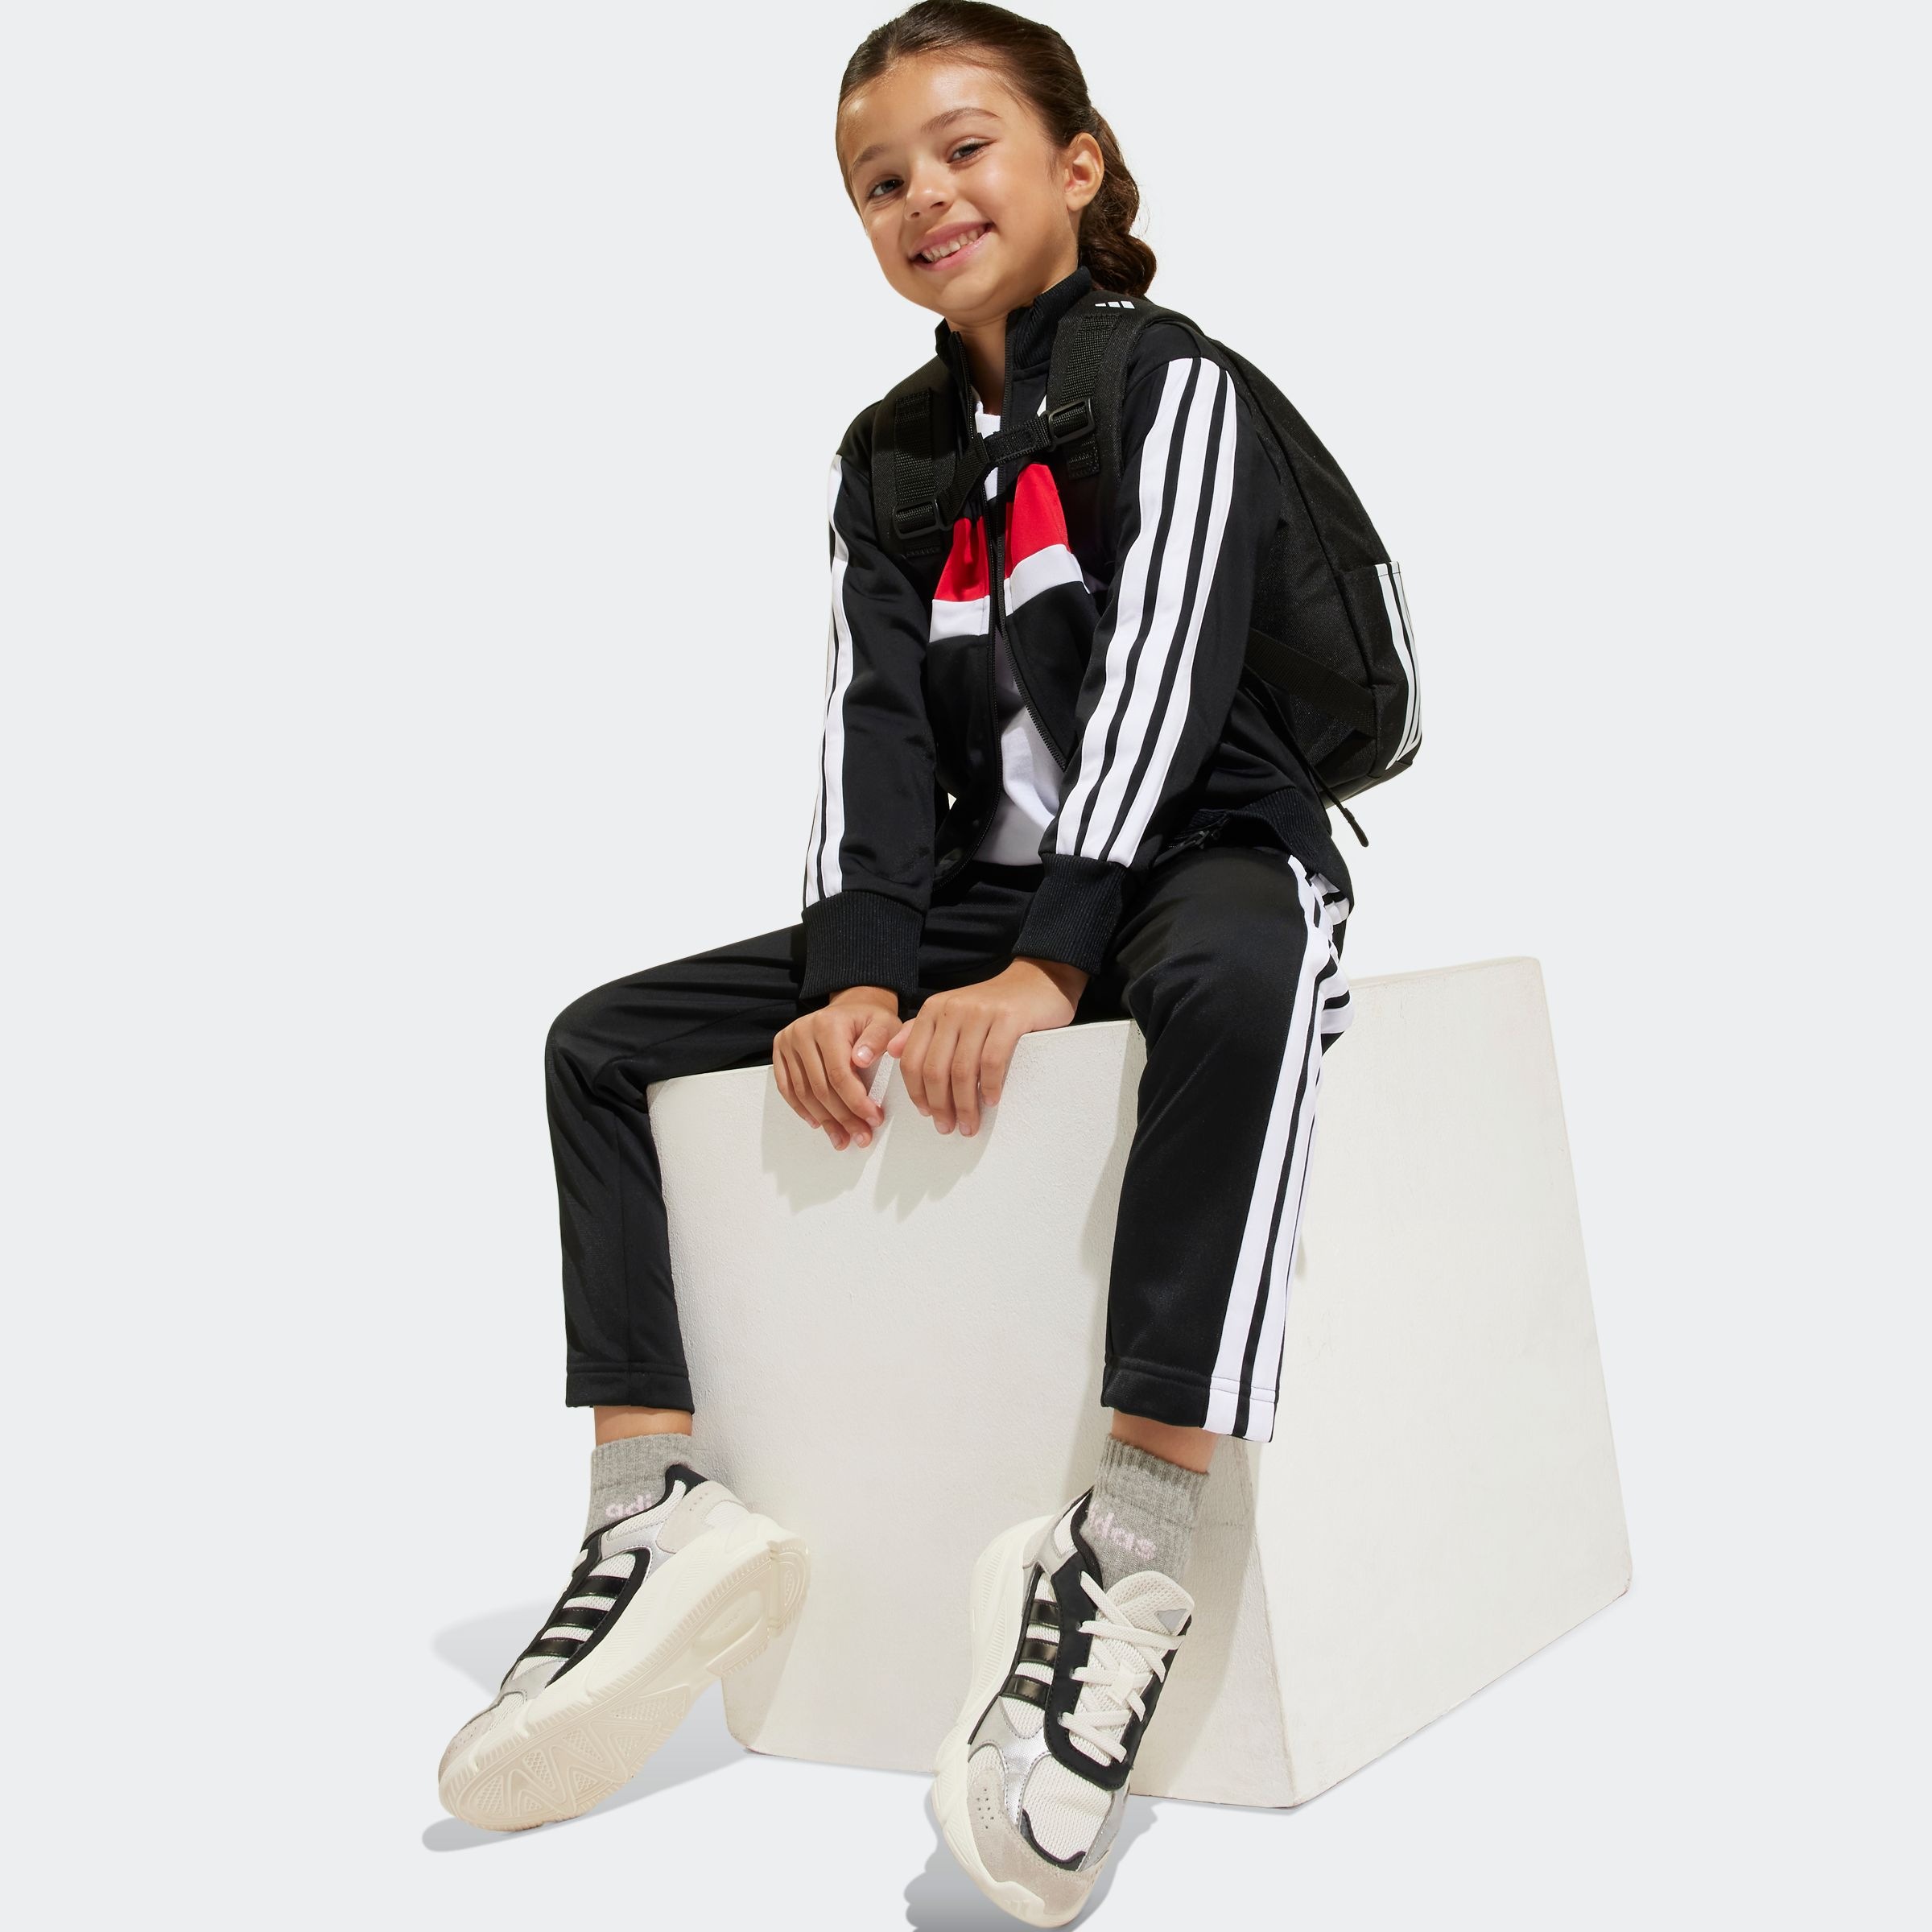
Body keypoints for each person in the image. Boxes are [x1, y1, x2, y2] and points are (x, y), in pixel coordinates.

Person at [439, 3, 1363, 1920]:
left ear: (1077, 167)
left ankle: (1130, 1545)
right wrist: (859, 971)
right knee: (602, 1046)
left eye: (964, 147)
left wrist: (1050, 966)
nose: (923, 195)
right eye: (878, 180)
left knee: (1231, 985)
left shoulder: (1170, 383)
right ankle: (653, 1509)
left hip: (1196, 847)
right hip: (980, 898)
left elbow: (1164, 686)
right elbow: (868, 729)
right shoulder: (889, 458)